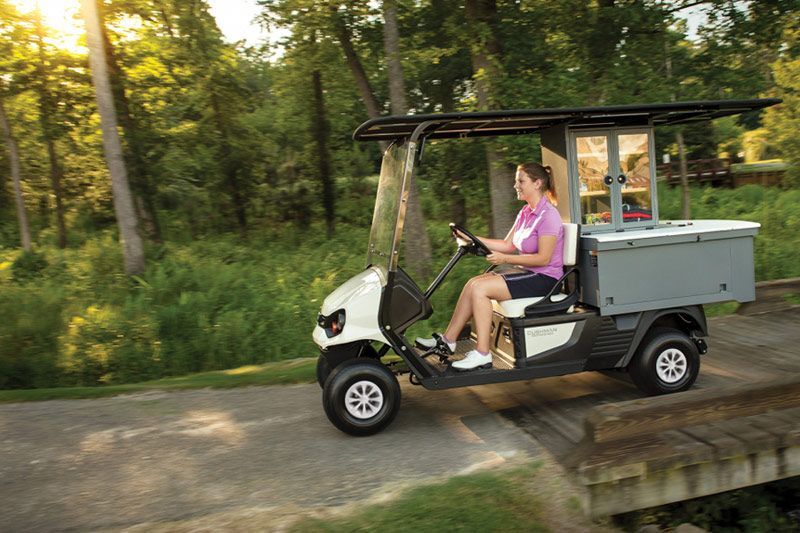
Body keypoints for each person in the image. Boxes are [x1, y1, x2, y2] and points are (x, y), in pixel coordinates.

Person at [416, 162, 564, 371]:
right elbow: (507, 244)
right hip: (529, 273)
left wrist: (506, 260)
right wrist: (471, 237)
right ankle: (448, 340)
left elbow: (543, 259)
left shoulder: (548, 216)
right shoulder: (525, 212)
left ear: (537, 183)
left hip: (546, 279)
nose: (516, 185)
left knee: (481, 289)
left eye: (520, 181)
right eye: (516, 181)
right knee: (473, 282)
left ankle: (482, 354)